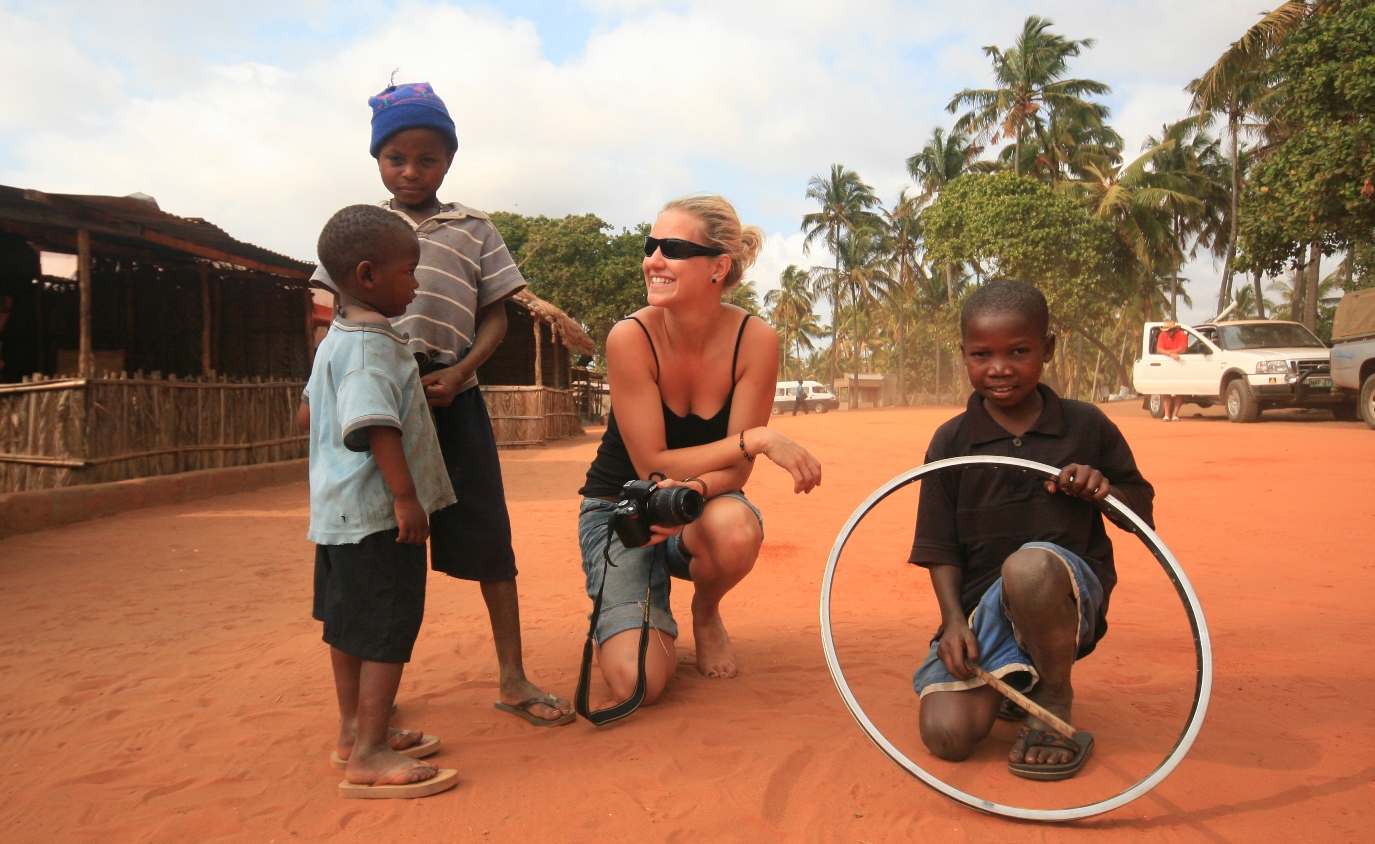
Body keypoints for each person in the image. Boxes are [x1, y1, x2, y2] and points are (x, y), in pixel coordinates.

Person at [310, 81, 573, 726]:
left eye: (427, 159)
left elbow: (496, 316)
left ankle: (512, 676)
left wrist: (460, 373)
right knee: (379, 544)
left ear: (448, 161)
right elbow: (327, 317)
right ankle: (372, 706)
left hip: (453, 397)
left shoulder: (475, 228)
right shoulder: (360, 231)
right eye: (396, 158)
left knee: (489, 538)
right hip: (379, 402)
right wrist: (321, 390)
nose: (410, 171)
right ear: (377, 159)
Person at [577, 194, 822, 706]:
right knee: (638, 685)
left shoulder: (755, 340)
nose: (653, 260)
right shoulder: (630, 337)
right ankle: (628, 603)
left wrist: (691, 492)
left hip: (698, 506)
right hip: (622, 509)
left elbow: (736, 474)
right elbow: (652, 465)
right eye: (651, 246)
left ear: (719, 267)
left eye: (673, 248)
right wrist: (755, 439)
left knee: (734, 528)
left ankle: (705, 612)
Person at [908, 280, 1154, 781]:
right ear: (964, 353)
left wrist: (1103, 490)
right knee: (947, 736)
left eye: (1018, 351)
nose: (999, 368)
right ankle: (1017, 678)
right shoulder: (952, 440)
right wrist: (954, 622)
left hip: (1064, 601)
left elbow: (1141, 511)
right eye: (982, 354)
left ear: (1048, 348)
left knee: (1028, 567)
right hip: (981, 608)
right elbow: (939, 546)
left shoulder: (1086, 425)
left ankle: (1054, 696)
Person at [302, 205, 459, 798]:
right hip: (377, 518)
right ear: (367, 275)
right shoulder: (372, 349)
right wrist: (405, 497)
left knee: (349, 627)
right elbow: (375, 424)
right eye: (409, 271)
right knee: (388, 630)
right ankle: (369, 753)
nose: (416, 283)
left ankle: (353, 732)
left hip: (336, 515)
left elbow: (307, 413)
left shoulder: (335, 342)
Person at [1156, 319, 1190, 421]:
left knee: (1179, 390)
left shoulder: (1182, 335)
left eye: (1169, 330)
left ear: (1174, 330)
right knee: (1166, 390)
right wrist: (1171, 354)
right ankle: (1167, 414)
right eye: (1166, 331)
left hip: (1180, 365)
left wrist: (1167, 352)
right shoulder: (1162, 335)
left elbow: (1183, 349)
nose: (1167, 333)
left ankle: (1175, 414)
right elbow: (1159, 349)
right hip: (1166, 366)